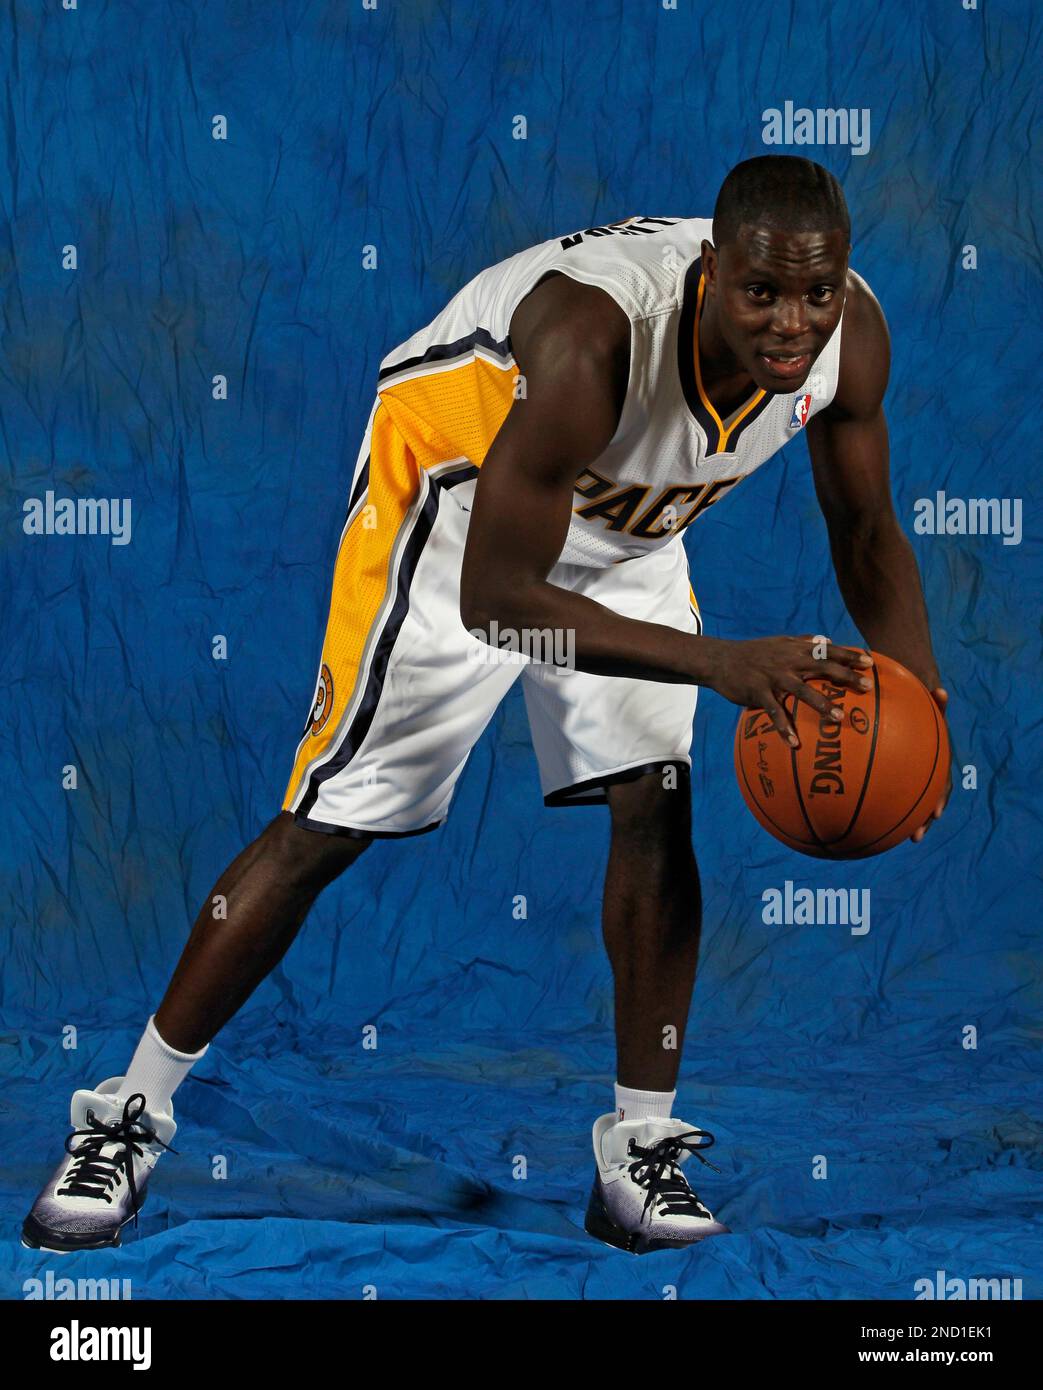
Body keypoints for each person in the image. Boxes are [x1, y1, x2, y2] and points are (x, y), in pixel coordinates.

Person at [23, 155, 949, 1258]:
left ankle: (636, 1154)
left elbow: (864, 533)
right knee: (330, 824)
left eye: (816, 292)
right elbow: (502, 604)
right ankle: (126, 1116)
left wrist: (918, 713)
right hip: (462, 503)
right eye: (761, 294)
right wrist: (713, 664)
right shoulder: (590, 341)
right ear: (710, 274)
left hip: (626, 524)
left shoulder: (850, 341)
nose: (792, 322)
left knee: (654, 800)